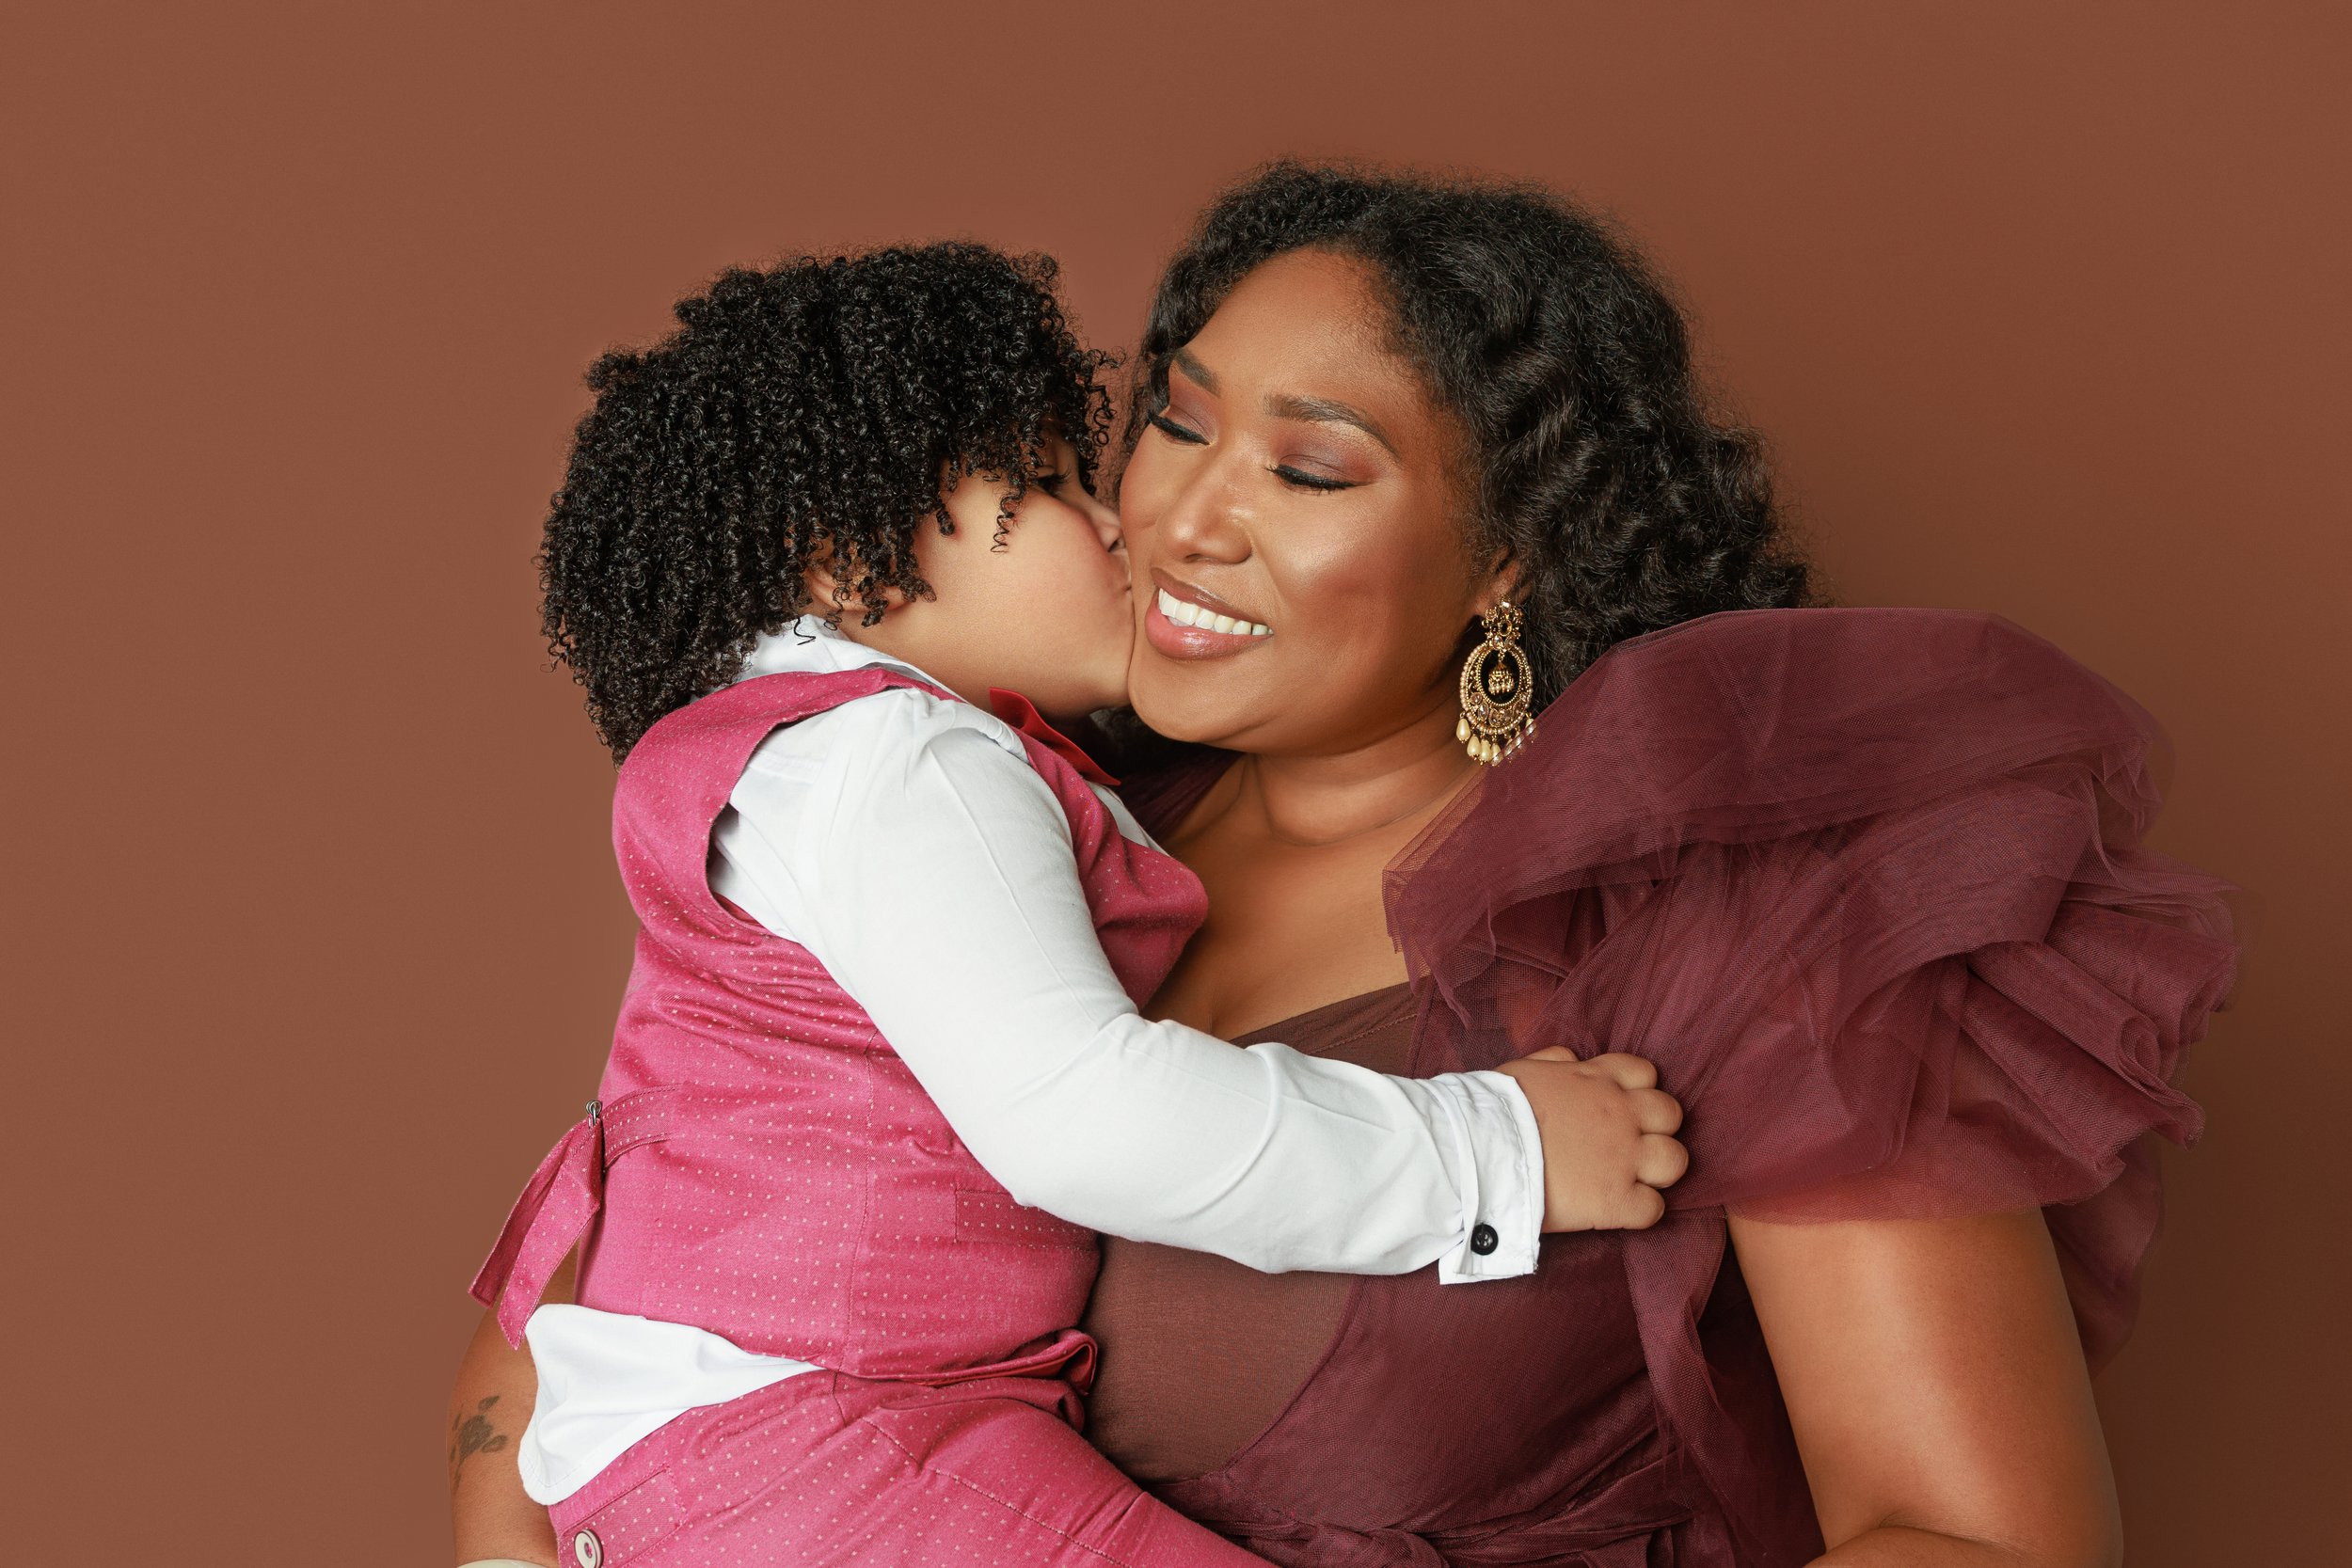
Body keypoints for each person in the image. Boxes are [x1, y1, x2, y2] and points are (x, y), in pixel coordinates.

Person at [453, 166, 2236, 1567]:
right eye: (1167, 421)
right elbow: (644, 1226)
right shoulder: (1007, 797)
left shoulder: (1741, 928)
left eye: (1307, 470)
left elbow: (1989, 1540)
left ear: (1503, 569)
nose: (1178, 519)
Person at [457, 240, 1687, 1568]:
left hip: (752, 1448)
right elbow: (1088, 1120)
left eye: (1307, 467)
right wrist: (1498, 1154)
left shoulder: (798, 757)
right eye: (1037, 487)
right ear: (845, 565)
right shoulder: (907, 768)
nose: (1119, 523)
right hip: (820, 1438)